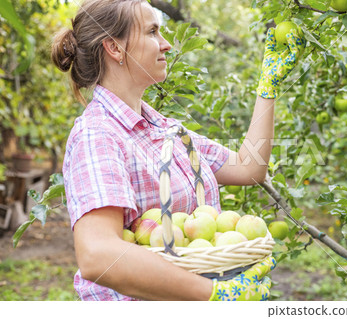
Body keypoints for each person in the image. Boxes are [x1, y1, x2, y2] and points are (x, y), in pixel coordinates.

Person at [51, 0, 304, 301]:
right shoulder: (98, 133)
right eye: (153, 32)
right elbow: (98, 255)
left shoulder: (165, 129)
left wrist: (268, 87)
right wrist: (213, 294)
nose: (166, 44)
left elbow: (249, 166)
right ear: (115, 48)